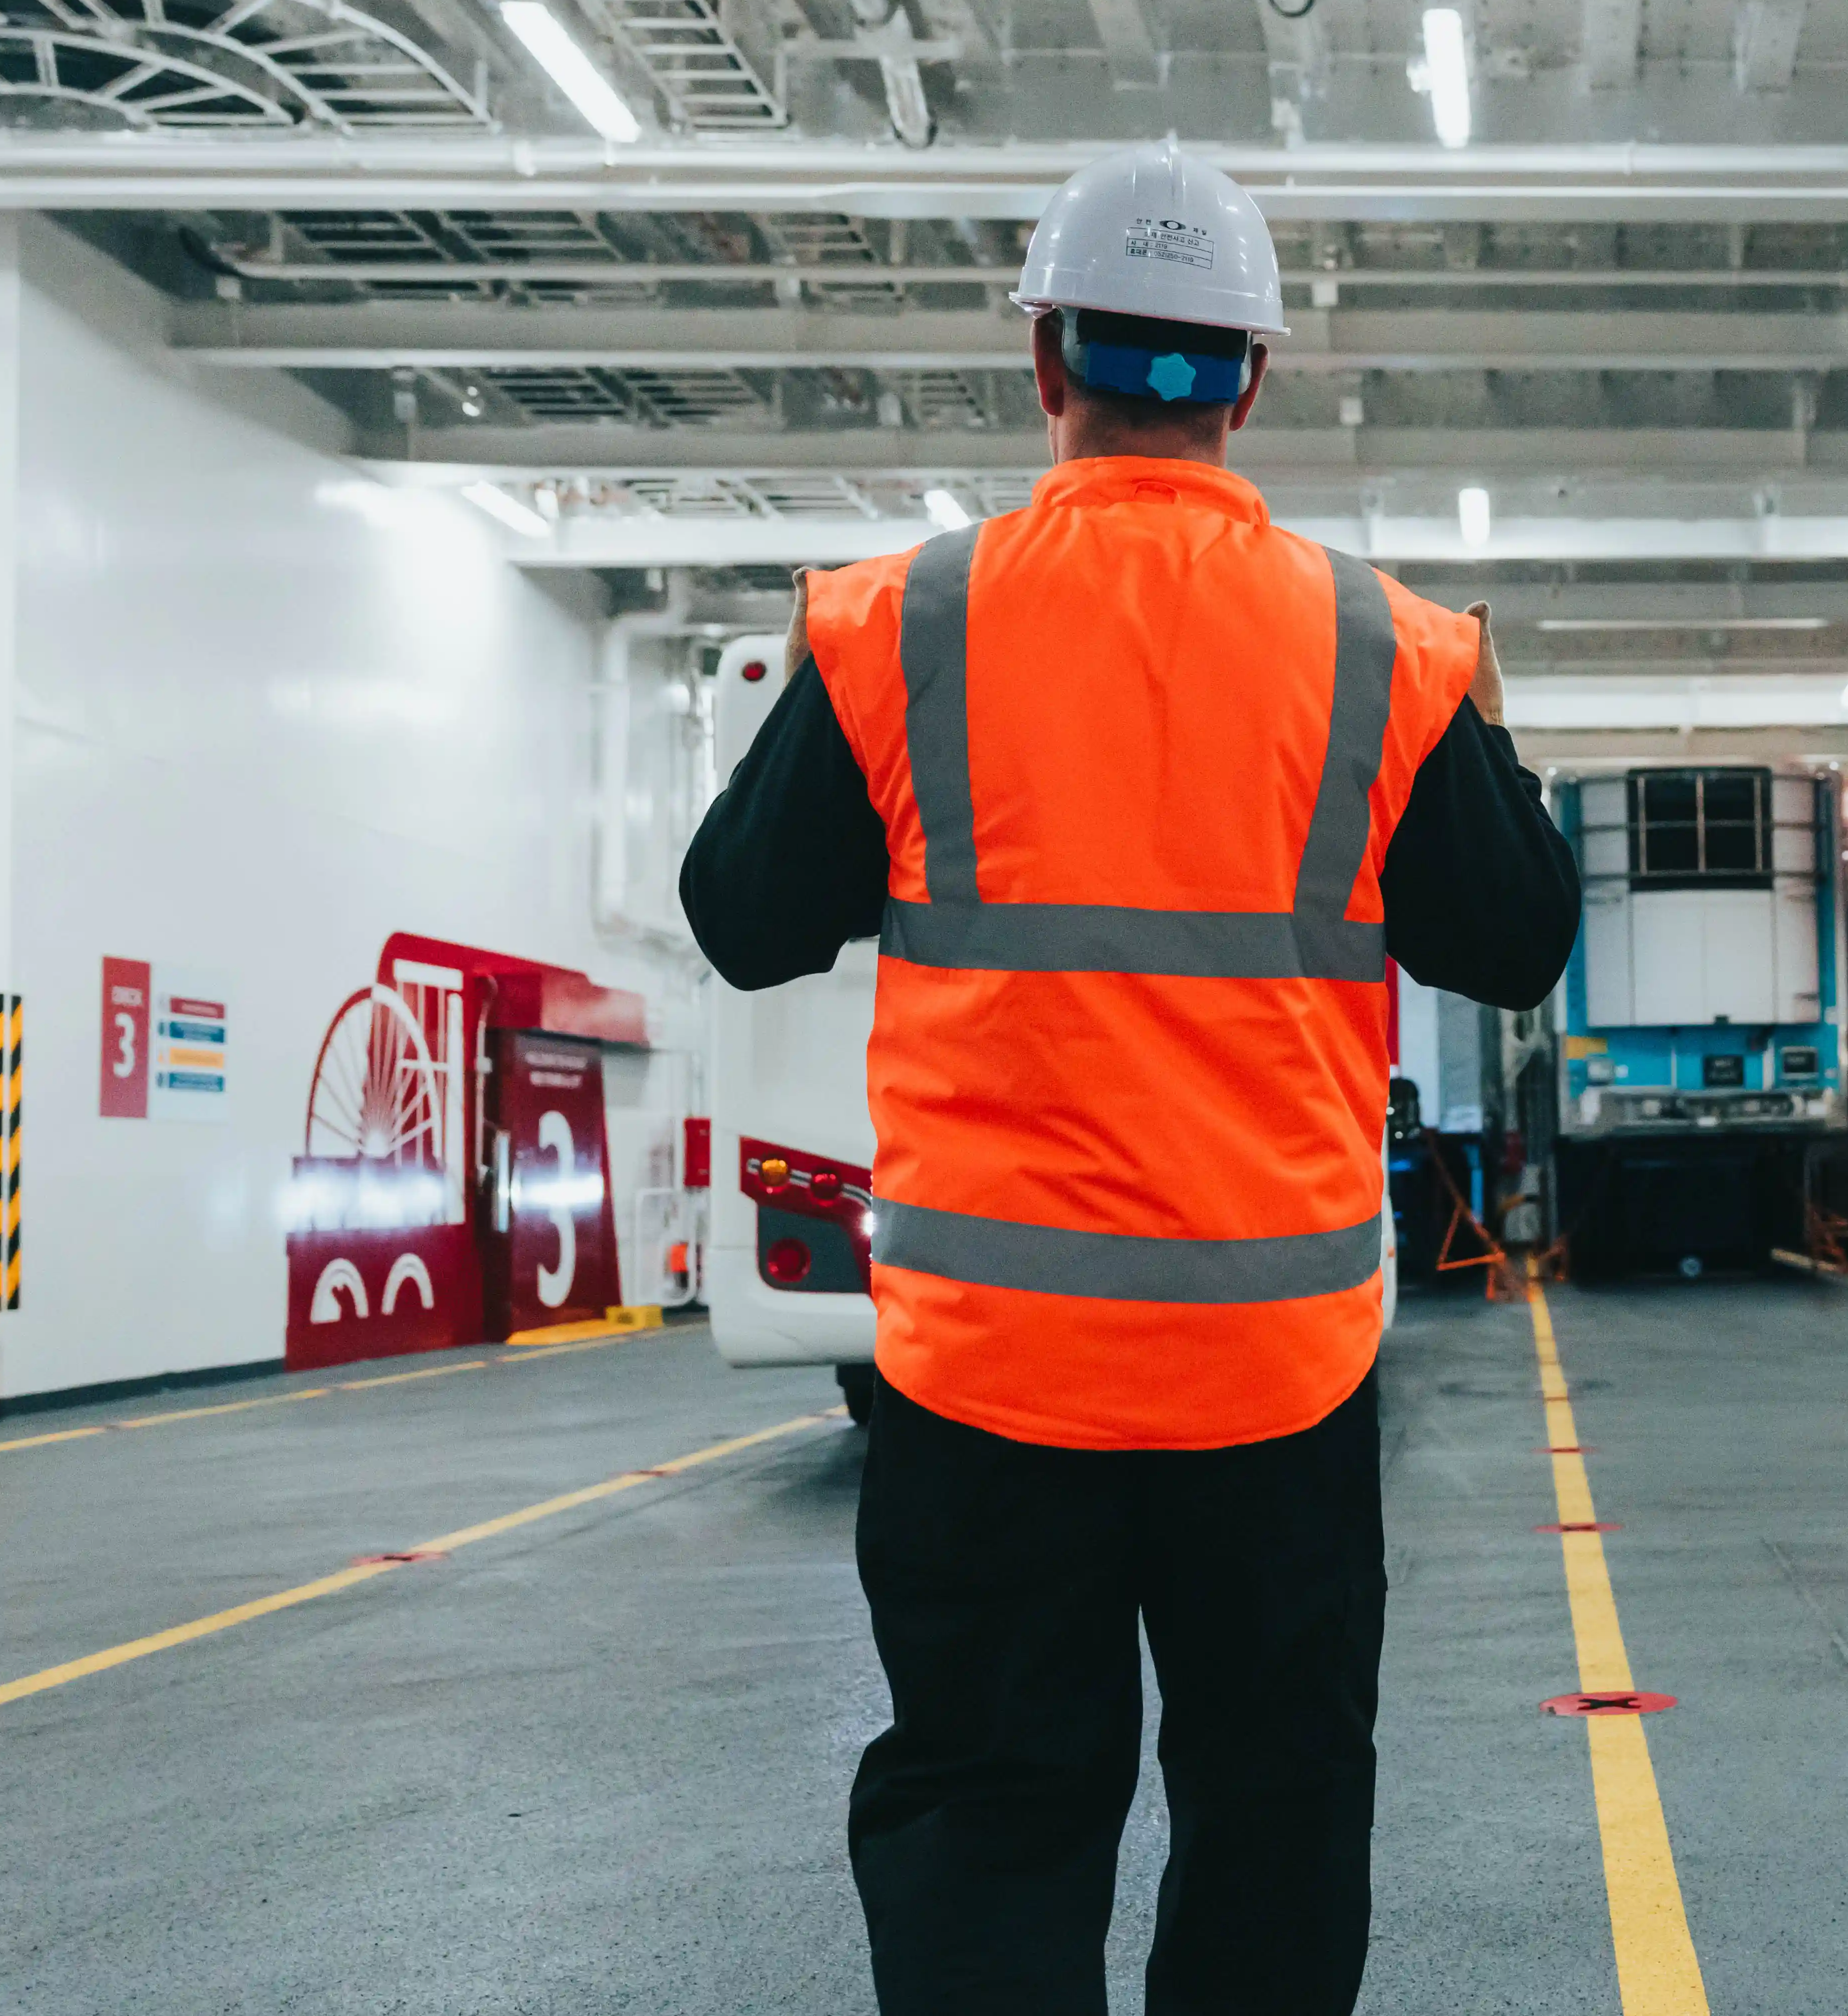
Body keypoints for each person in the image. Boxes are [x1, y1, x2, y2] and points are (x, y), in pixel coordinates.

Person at [677, 142, 1581, 2016]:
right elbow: (1512, 941)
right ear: (1248, 380)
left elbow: (744, 921)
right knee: (1272, 1807)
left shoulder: (898, 623)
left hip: (986, 1375)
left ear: (1044, 361)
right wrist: (1485, 720)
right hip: (1277, 1370)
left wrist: (835, 739)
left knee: (993, 1815)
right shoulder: (1386, 650)